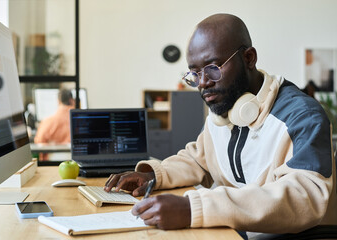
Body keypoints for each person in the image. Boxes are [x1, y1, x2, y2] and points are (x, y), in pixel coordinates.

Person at [104, 13, 337, 237]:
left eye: (213, 68)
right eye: (194, 74)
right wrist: (154, 176)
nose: (203, 83)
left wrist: (194, 209)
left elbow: (305, 196)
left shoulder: (303, 116)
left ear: (249, 58)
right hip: (235, 231)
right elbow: (198, 159)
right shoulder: (225, 110)